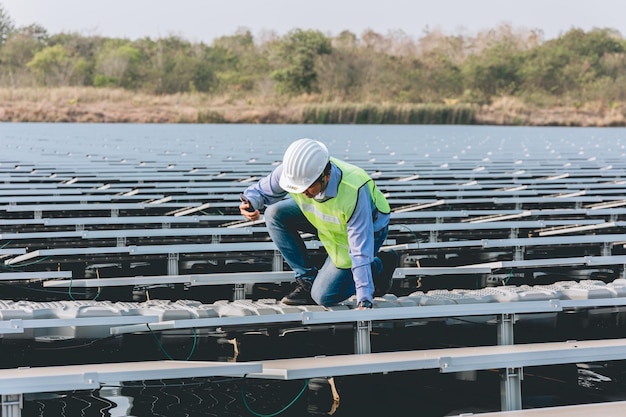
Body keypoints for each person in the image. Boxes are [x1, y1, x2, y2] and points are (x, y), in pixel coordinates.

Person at [239, 138, 398, 310]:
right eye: (297, 188)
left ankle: (380, 265)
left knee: (323, 296)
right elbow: (262, 190)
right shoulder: (295, 172)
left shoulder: (354, 190)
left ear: (326, 176)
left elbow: (359, 250)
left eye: (307, 187)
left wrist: (364, 297)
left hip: (364, 230)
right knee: (274, 214)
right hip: (325, 216)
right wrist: (251, 202)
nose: (302, 192)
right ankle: (307, 279)